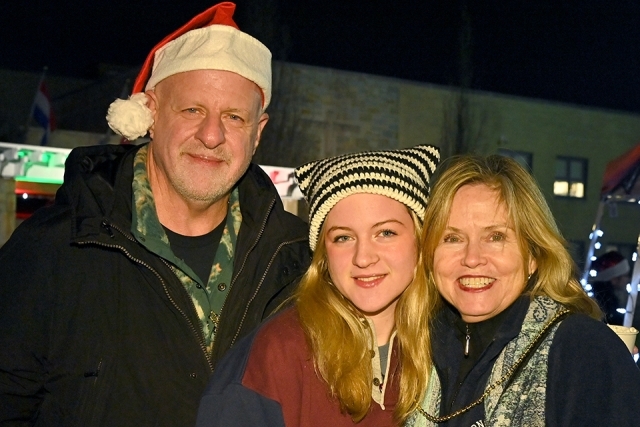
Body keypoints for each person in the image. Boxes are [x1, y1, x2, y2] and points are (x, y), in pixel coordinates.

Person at [0, 3, 311, 426]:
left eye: (234, 117)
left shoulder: (297, 262)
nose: (212, 135)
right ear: (150, 113)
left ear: (257, 133)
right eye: (192, 110)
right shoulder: (55, 248)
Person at [195, 145, 441, 426]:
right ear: (323, 255)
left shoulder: (446, 345)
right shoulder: (278, 354)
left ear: (420, 241)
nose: (363, 257)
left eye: (385, 233)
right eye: (343, 238)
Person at [409, 155, 640, 427]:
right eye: (452, 238)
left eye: (496, 237)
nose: (472, 258)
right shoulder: (417, 347)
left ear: (533, 255)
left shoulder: (581, 350)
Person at [590, 250, 631, 325]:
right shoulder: (606, 306)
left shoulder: (604, 300)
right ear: (614, 279)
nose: (628, 280)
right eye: (626, 275)